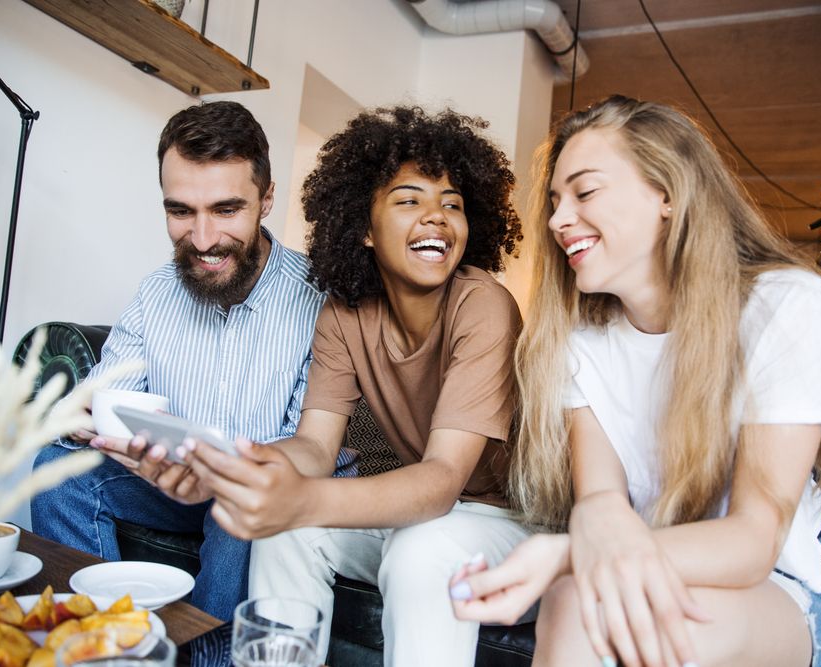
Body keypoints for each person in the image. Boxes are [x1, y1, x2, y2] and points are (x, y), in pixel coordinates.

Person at [448, 95, 821, 667]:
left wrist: (561, 558)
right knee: (574, 602)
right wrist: (585, 544)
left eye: (585, 192)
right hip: (641, 559)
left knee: (599, 604)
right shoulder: (580, 343)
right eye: (554, 201)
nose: (555, 220)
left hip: (783, 586)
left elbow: (754, 541)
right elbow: (601, 504)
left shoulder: (783, 305)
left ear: (667, 195)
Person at [124, 105, 530, 666]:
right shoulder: (342, 313)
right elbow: (315, 447)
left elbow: (440, 482)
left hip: (510, 522)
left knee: (420, 549)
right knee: (285, 530)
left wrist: (299, 496)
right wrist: (233, 468)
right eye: (410, 199)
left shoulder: (483, 305)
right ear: (362, 226)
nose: (436, 216)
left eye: (452, 204)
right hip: (432, 515)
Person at [31, 101, 354, 622]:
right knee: (55, 471)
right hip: (170, 486)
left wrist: (224, 472)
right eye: (180, 211)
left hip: (263, 489)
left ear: (267, 198)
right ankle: (105, 644)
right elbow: (101, 396)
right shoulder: (157, 291)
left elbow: (309, 447)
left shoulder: (322, 298)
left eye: (226, 210)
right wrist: (85, 417)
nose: (202, 240)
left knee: (240, 505)